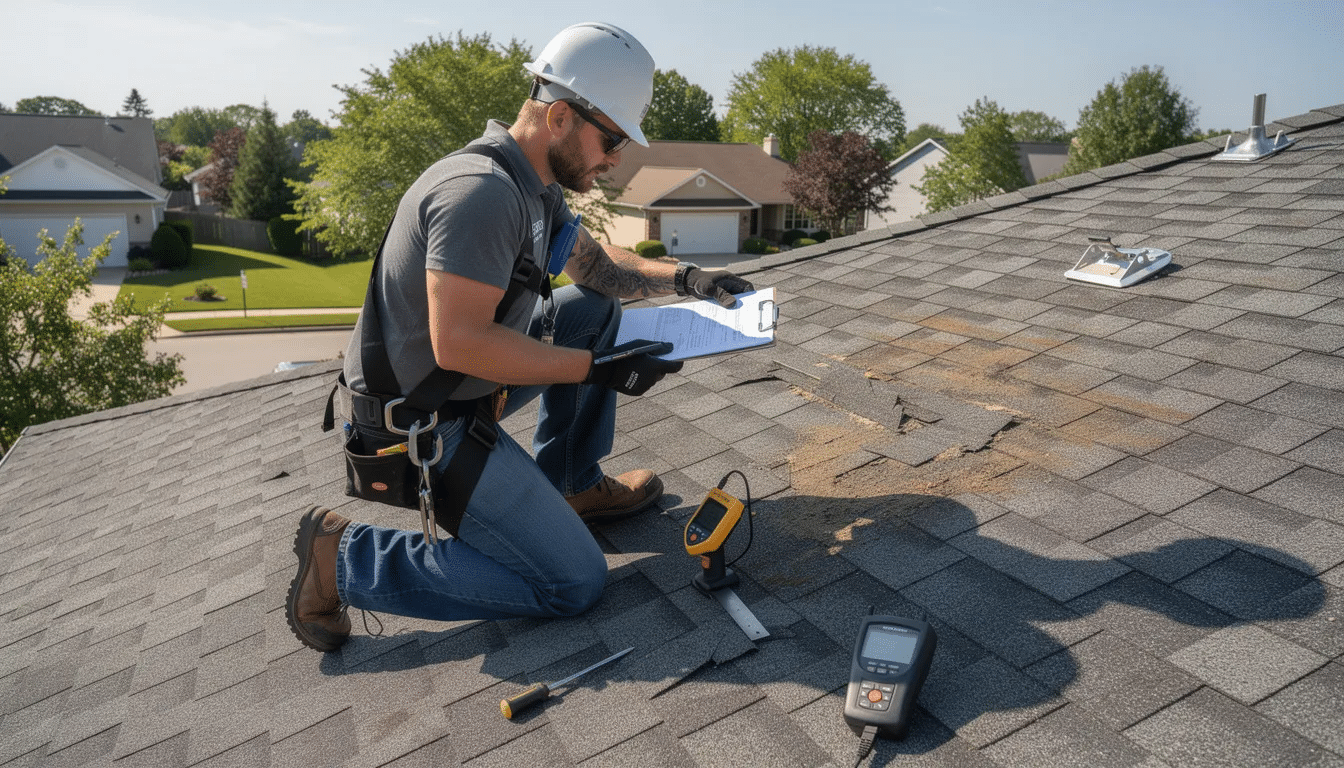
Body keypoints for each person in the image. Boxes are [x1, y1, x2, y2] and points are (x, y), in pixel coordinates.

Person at [286, 22, 755, 652]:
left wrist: (691, 278)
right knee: (574, 581)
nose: (615, 158)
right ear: (560, 116)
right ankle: (342, 559)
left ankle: (570, 484)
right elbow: (459, 345)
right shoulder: (478, 194)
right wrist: (593, 369)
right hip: (422, 420)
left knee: (590, 307)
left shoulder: (534, 190)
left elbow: (601, 271)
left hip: (461, 387)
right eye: (610, 138)